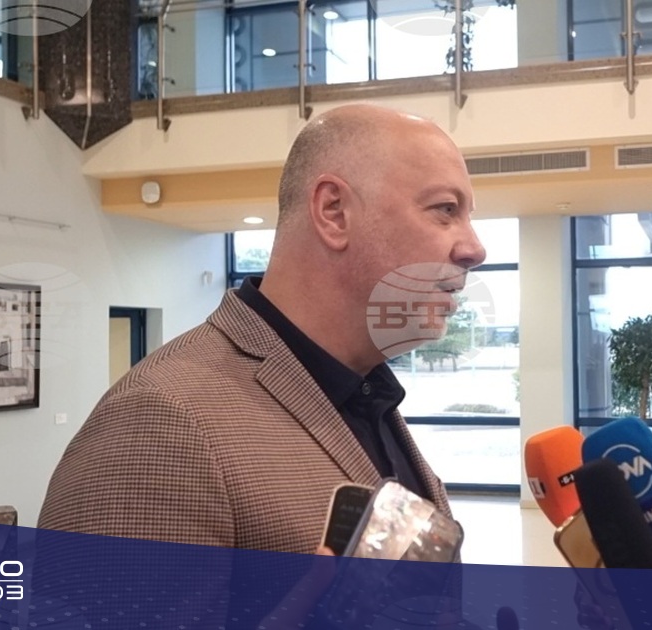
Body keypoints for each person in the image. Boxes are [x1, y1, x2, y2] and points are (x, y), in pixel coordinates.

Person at [38, 103, 487, 554]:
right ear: (334, 212)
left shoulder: (364, 396)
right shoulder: (159, 424)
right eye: (445, 210)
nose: (475, 249)